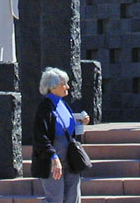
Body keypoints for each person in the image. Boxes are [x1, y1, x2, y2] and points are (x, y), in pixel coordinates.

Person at [31, 67, 90, 203]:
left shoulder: (62, 104)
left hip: (71, 157)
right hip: (53, 160)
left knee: (73, 197)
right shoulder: (45, 108)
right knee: (55, 198)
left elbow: (66, 128)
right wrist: (53, 157)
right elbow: (40, 136)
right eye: (63, 84)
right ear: (52, 86)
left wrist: (81, 122)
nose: (67, 87)